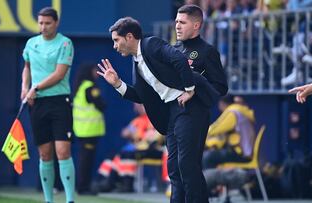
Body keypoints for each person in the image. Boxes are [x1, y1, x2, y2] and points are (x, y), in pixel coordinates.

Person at [97, 15, 227, 203]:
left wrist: (190, 89)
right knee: (174, 167)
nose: (115, 46)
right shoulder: (136, 62)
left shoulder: (151, 44)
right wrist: (117, 84)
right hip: (174, 112)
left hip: (189, 106)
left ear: (130, 37)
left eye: (116, 40)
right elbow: (141, 97)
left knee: (187, 165)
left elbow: (179, 60)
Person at [20, 7, 75, 203]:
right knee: (44, 154)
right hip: (37, 104)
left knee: (63, 151)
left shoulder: (65, 43)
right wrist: (25, 88)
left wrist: (35, 88)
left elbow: (59, 74)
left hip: (59, 102)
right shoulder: (31, 43)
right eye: (40, 23)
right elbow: (26, 68)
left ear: (56, 23)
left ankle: (70, 199)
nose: (43, 27)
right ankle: (48, 200)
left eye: (47, 23)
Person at [72, 63, 106, 195]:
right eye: (94, 70)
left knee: (84, 159)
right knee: (86, 161)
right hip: (89, 130)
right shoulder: (90, 88)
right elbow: (101, 104)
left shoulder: (80, 87)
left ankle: (82, 186)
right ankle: (83, 187)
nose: (96, 73)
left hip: (82, 130)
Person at [203, 95, 256, 169]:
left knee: (207, 157)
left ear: (222, 104)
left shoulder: (233, 112)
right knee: (210, 153)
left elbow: (214, 129)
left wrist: (200, 134)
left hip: (241, 154)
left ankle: (208, 180)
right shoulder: (240, 111)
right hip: (245, 152)